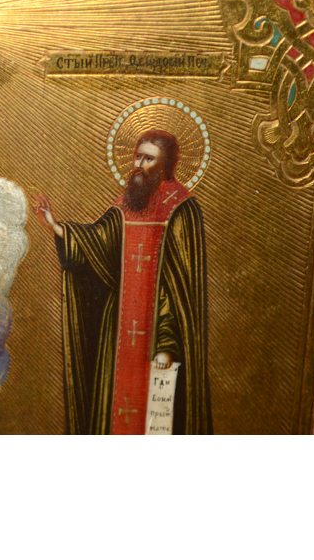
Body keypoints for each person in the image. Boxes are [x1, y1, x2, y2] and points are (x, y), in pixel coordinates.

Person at [35, 129, 212, 434]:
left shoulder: (182, 208)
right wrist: (57, 227)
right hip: (117, 333)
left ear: (165, 166)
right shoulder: (127, 204)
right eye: (137, 157)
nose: (139, 165)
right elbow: (98, 242)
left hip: (161, 332)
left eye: (149, 159)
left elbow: (179, 290)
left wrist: (167, 342)